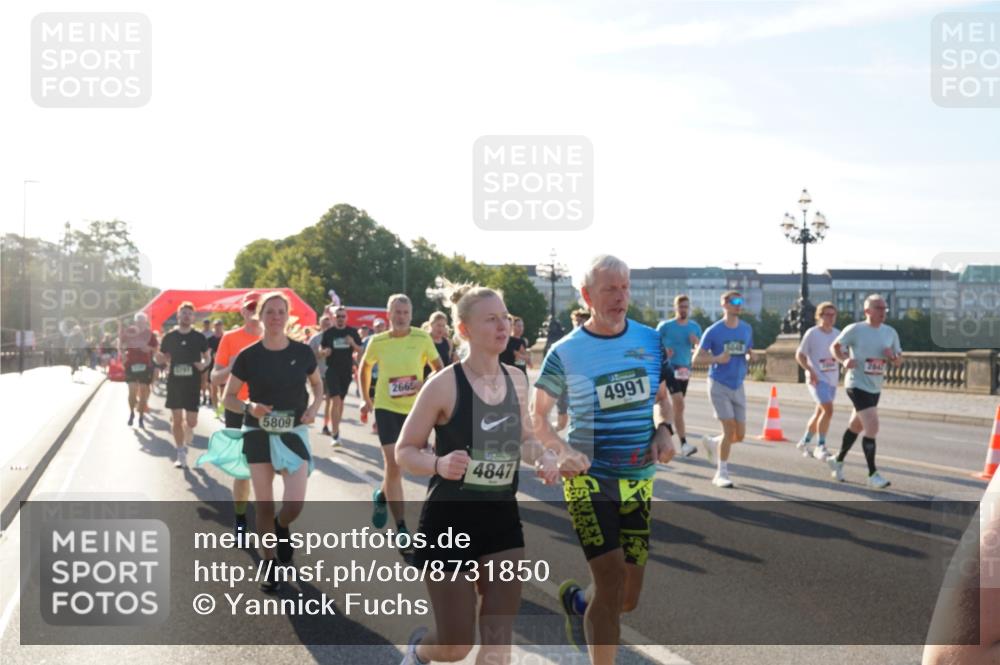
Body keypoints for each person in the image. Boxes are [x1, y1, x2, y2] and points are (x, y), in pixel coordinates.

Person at [396, 284, 558, 665]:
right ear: (465, 330)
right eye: (491, 320)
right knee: (455, 646)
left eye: (505, 318)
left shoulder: (517, 379)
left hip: (501, 519)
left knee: (498, 646)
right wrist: (438, 464)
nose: (503, 326)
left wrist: (543, 457)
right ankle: (419, 651)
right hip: (450, 521)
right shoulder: (444, 384)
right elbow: (405, 451)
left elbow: (524, 438)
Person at [532, 255, 675, 664]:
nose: (620, 297)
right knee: (611, 583)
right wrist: (562, 451)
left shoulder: (649, 341)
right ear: (587, 295)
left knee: (627, 597)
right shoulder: (565, 351)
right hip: (588, 478)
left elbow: (663, 400)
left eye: (625, 287)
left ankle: (579, 603)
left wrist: (665, 429)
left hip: (638, 479)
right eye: (610, 289)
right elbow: (537, 416)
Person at [198, 291, 322, 592]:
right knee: (264, 505)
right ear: (261, 317)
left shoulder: (303, 352)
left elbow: (318, 386)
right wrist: (249, 407)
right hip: (258, 433)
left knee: (294, 503)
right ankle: (269, 564)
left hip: (293, 433)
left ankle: (282, 526)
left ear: (288, 316)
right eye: (270, 312)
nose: (276, 317)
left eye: (281, 312)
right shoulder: (248, 355)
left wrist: (314, 408)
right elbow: (228, 397)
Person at [359, 295, 443, 546]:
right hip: (386, 407)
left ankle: (382, 496)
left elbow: (440, 370)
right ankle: (402, 528)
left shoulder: (422, 338)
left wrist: (423, 383)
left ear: (411, 314)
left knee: (403, 465)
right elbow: (364, 367)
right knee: (393, 465)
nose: (401, 317)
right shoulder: (378, 341)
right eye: (397, 312)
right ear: (389, 314)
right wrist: (366, 399)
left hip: (415, 410)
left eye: (406, 312)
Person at [827, 294, 902, 489]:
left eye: (884, 308)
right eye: (878, 308)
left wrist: (893, 357)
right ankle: (872, 474)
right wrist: (844, 360)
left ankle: (837, 460)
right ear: (867, 311)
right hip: (856, 384)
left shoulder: (890, 332)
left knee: (856, 425)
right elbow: (834, 347)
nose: (883, 312)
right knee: (872, 426)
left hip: (875, 386)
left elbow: (899, 361)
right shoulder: (855, 329)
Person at [211, 291, 263, 535]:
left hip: (267, 411)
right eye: (250, 307)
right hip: (237, 407)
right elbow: (215, 377)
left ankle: (267, 519)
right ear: (242, 311)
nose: (254, 312)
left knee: (265, 469)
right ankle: (241, 519)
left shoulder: (275, 338)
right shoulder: (230, 338)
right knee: (243, 470)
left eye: (258, 307)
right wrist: (232, 367)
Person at [692, 291, 753, 489]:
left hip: (738, 384)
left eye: (740, 301)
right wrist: (717, 358)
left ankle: (713, 443)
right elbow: (696, 359)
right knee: (729, 429)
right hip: (718, 384)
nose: (738, 304)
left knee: (740, 435)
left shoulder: (746, 328)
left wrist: (750, 357)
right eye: (734, 301)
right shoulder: (714, 331)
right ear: (724, 304)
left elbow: (747, 350)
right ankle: (721, 473)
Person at [157, 302, 212, 468]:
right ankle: (180, 453)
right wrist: (158, 358)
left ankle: (188, 427)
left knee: (192, 422)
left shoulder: (199, 337)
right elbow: (162, 357)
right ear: (178, 316)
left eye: (189, 313)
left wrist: (204, 365)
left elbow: (207, 357)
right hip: (175, 382)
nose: (186, 316)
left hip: (192, 383)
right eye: (184, 313)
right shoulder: (170, 337)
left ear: (193, 317)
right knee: (177, 419)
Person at [656, 295, 703, 458]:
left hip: (685, 369)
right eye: (681, 306)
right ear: (675, 308)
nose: (684, 310)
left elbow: (701, 349)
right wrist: (664, 351)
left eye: (686, 307)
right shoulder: (665, 326)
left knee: (679, 408)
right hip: (668, 368)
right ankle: (683, 443)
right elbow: (653, 343)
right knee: (677, 402)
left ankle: (677, 442)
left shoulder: (694, 327)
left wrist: (696, 343)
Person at [794, 302, 841, 461]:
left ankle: (804, 442)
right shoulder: (812, 333)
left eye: (833, 315)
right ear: (819, 316)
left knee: (820, 413)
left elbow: (843, 354)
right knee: (828, 410)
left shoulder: (838, 334)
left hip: (832, 379)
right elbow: (800, 355)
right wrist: (809, 370)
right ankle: (821, 446)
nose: (830, 318)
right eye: (827, 314)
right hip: (816, 379)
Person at [319, 306, 362, 447]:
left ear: (346, 318)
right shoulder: (329, 333)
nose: (340, 319)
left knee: (340, 402)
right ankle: (335, 433)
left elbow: (361, 350)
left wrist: (352, 343)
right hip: (332, 370)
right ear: (334, 318)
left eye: (343, 316)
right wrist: (325, 352)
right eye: (338, 316)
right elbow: (321, 349)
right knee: (335, 400)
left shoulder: (352, 332)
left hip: (346, 371)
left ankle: (336, 428)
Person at [120, 312, 158, 428]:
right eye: (138, 321)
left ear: (146, 322)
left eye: (143, 321)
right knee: (132, 391)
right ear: (135, 322)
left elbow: (156, 348)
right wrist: (123, 354)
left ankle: (141, 416)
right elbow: (121, 344)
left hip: (145, 365)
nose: (141, 324)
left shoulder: (149, 334)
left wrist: (149, 348)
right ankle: (132, 412)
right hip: (131, 364)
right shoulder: (129, 331)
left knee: (143, 391)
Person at [308, 315, 333, 434]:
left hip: (331, 374)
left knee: (329, 400)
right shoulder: (315, 338)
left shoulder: (335, 338)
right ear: (320, 324)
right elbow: (307, 356)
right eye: (324, 323)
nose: (327, 326)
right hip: (317, 374)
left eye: (328, 323)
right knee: (316, 399)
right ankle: (308, 417)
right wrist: (320, 354)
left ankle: (325, 426)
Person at [424, 311, 456, 381]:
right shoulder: (424, 340)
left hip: (443, 380)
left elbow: (450, 363)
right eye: (438, 325)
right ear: (431, 324)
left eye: (443, 326)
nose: (441, 328)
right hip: (426, 380)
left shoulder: (448, 343)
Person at [206, 320, 224, 408]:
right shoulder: (210, 339)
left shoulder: (226, 338)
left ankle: (223, 409)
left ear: (222, 326)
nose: (218, 327)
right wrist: (212, 354)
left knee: (223, 390)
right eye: (216, 325)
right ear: (214, 326)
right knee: (213, 389)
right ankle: (216, 409)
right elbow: (207, 353)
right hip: (213, 366)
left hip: (224, 367)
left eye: (219, 325)